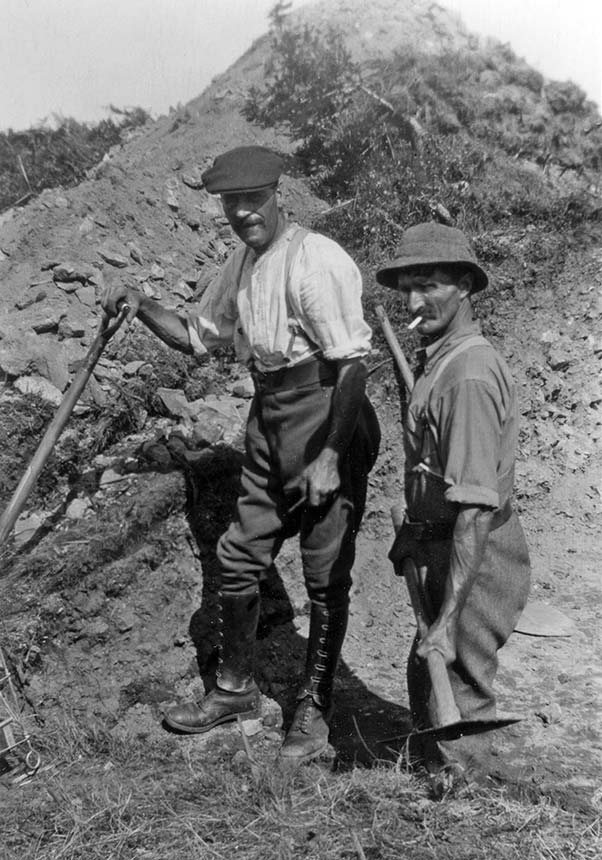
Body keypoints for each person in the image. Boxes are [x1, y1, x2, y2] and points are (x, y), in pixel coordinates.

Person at [102, 145, 380, 763]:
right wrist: (141, 304)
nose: (244, 213)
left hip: (327, 413)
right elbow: (199, 338)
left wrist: (331, 456)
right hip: (269, 417)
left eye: (254, 200)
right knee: (238, 555)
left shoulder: (316, 259)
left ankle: (312, 710)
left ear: (278, 195)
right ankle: (235, 689)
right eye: (233, 203)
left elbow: (353, 365)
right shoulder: (242, 264)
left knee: (323, 568)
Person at [376, 222, 531, 787]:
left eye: (429, 285)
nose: (415, 302)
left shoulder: (466, 375)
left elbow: (472, 511)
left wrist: (446, 617)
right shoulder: (438, 358)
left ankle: (476, 808)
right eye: (406, 290)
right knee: (431, 680)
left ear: (465, 285)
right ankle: (439, 785)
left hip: (476, 554)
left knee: (458, 687)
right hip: (445, 544)